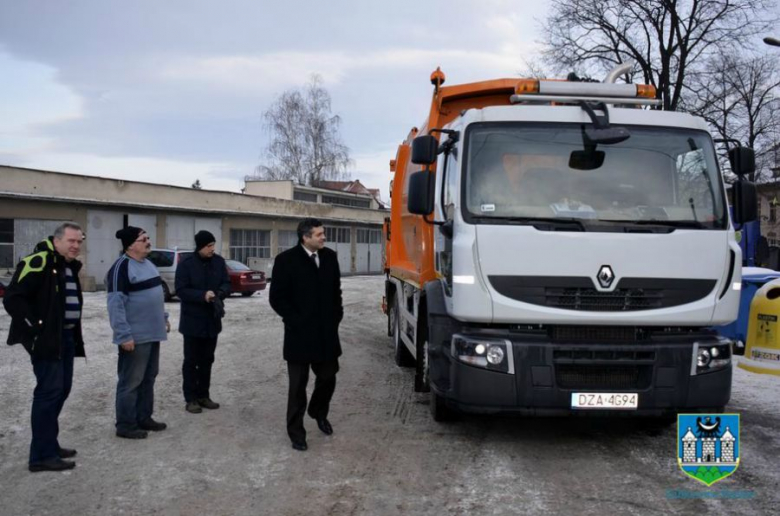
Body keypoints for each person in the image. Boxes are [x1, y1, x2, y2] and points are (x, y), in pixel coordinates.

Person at [3, 222, 85, 472]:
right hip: (48, 340)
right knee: (48, 394)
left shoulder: (66, 265)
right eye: (71, 241)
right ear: (57, 240)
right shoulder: (40, 261)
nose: (76, 245)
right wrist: (36, 327)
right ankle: (41, 456)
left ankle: (48, 443)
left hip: (66, 339)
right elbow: (13, 298)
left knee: (61, 391)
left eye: (79, 241)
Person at [270, 218, 343, 452]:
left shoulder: (330, 257)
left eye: (323, 233)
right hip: (299, 335)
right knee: (297, 387)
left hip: (326, 334)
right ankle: (296, 433)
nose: (324, 237)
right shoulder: (286, 261)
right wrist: (295, 320)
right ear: (305, 237)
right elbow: (277, 298)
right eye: (319, 234)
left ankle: (318, 412)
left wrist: (336, 316)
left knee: (328, 377)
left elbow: (336, 292)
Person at [106, 226, 169, 439]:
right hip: (135, 337)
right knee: (130, 381)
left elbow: (156, 295)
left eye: (148, 238)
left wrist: (164, 318)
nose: (148, 241)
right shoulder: (120, 268)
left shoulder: (149, 265)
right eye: (144, 239)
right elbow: (116, 305)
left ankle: (144, 417)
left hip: (153, 333)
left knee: (148, 377)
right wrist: (124, 335)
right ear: (131, 244)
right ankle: (125, 424)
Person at [175, 230, 230, 414]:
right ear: (199, 246)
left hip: (212, 321)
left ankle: (204, 395)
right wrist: (202, 295)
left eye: (213, 245)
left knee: (207, 360)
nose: (212, 249)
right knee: (191, 361)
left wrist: (219, 295)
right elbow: (181, 290)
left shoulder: (219, 262)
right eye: (208, 246)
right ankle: (191, 399)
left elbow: (226, 283)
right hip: (192, 322)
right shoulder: (186, 264)